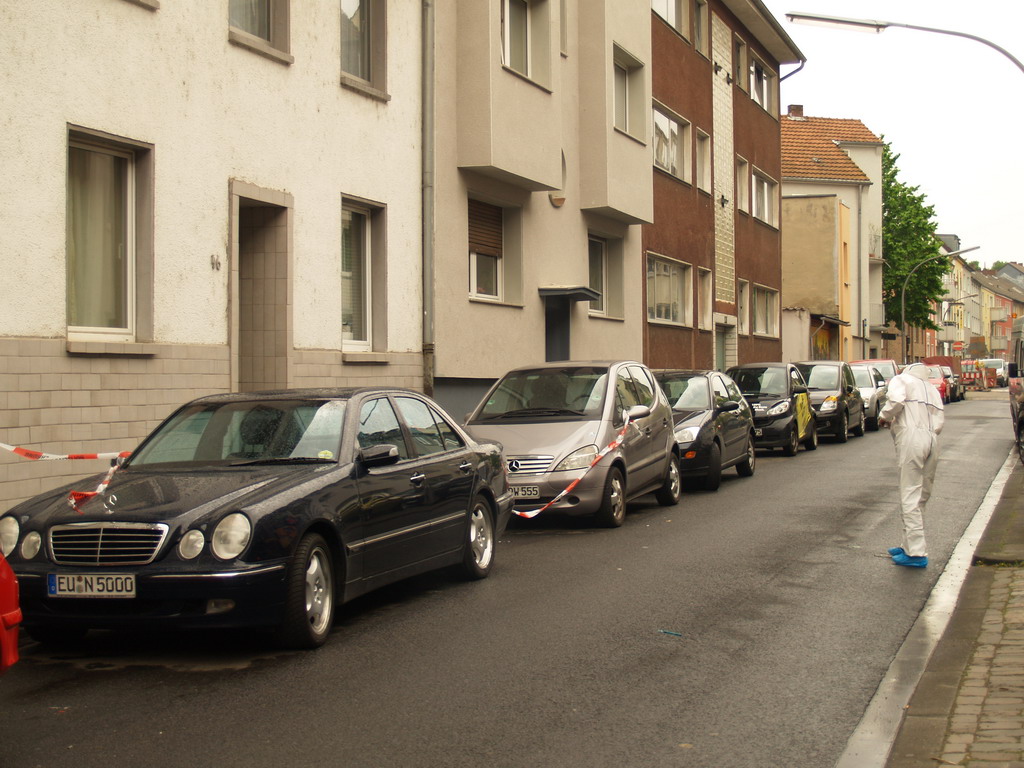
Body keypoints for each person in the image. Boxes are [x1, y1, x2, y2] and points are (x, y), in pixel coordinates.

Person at [878, 363, 944, 568]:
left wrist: (883, 416)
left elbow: (896, 401)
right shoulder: (932, 389)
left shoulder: (901, 380)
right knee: (922, 494)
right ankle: (908, 544)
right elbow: (940, 420)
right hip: (932, 439)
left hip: (912, 437)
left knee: (909, 492)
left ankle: (915, 553)